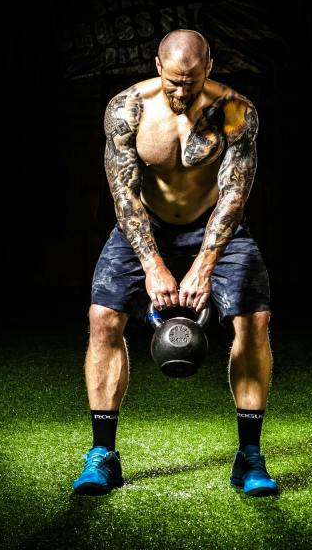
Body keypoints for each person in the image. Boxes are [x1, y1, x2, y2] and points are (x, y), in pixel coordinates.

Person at [72, 29, 278, 496]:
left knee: (255, 321)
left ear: (210, 67)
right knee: (103, 319)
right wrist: (153, 265)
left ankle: (249, 457)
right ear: (157, 66)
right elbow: (124, 195)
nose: (181, 92)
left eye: (191, 81)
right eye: (173, 82)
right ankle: (103, 454)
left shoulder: (232, 112)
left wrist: (204, 265)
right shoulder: (129, 109)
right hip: (146, 225)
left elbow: (233, 195)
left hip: (214, 227)